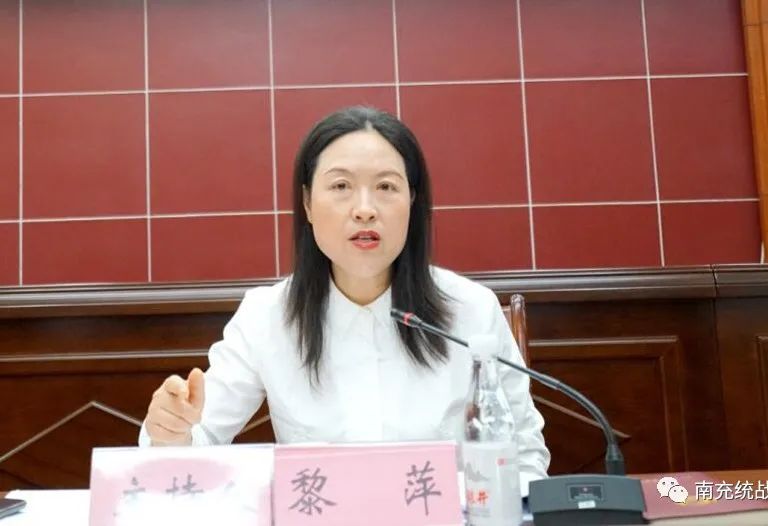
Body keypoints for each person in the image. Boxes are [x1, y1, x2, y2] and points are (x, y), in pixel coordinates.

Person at [139, 105, 550, 487]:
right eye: (341, 186)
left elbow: (525, 457)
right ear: (307, 203)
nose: (364, 209)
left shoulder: (471, 311)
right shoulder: (267, 316)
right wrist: (171, 431)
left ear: (412, 201)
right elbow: (197, 438)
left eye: (386, 186)